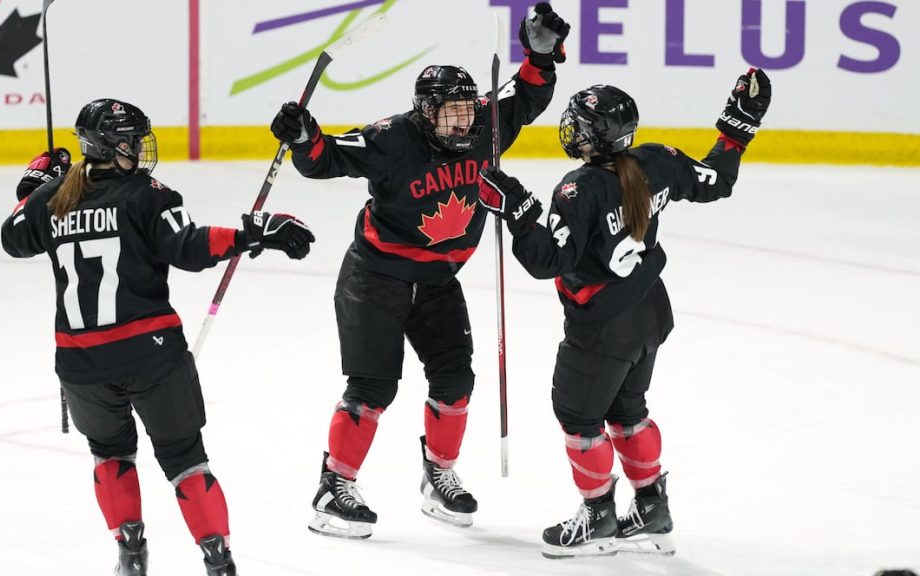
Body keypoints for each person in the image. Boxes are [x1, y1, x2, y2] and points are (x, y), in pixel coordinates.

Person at [269, 3, 570, 539]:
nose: (463, 120)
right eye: (450, 113)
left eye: (466, 110)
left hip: (438, 281)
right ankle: (334, 486)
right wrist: (302, 135)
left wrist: (541, 55)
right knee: (371, 387)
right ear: (425, 113)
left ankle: (439, 475)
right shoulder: (392, 138)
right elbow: (325, 159)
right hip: (375, 277)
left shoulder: (484, 125)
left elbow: (526, 95)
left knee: (456, 381)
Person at [1, 98, 315, 575]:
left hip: (81, 366)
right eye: (130, 139)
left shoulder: (52, 200)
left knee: (109, 454)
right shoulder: (147, 194)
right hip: (151, 357)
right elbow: (187, 247)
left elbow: (14, 238)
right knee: (186, 459)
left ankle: (131, 554)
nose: (139, 147)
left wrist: (33, 187)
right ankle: (219, 562)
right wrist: (255, 233)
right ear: (108, 144)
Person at [477, 69, 772, 557]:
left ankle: (597, 518)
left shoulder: (579, 190)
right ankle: (652, 508)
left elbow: (547, 260)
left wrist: (518, 211)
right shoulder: (656, 160)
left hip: (601, 329)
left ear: (596, 136)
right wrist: (738, 122)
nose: (569, 129)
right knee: (627, 412)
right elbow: (716, 180)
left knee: (578, 416)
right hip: (648, 314)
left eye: (578, 123)